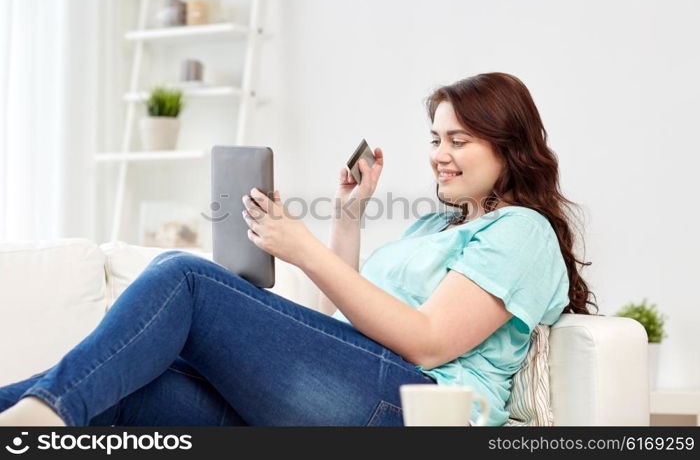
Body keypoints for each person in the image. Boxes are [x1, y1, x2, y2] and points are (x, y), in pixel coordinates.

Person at [0, 72, 597, 427]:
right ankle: (31, 415)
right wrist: (348, 218)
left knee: (185, 278)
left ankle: (42, 413)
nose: (439, 152)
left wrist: (303, 248)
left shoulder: (521, 230)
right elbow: (351, 321)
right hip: (365, 383)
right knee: (135, 387)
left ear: (509, 146)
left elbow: (427, 341)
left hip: (416, 410)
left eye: (459, 139)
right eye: (435, 138)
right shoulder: (433, 227)